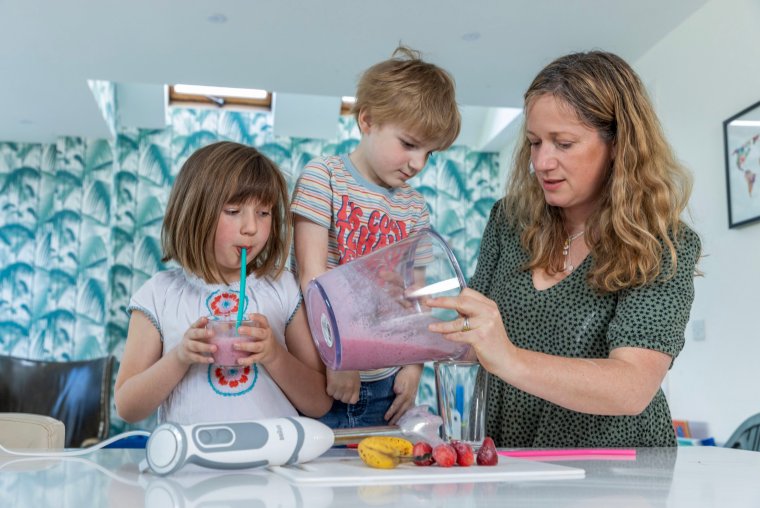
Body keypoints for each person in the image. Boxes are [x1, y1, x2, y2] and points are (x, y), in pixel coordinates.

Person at [427, 51, 701, 447]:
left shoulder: (661, 243)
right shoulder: (508, 221)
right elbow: (474, 338)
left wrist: (510, 359)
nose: (541, 161)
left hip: (617, 475)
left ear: (618, 145)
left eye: (564, 143)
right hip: (511, 457)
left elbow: (631, 387)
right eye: (535, 143)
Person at [291, 45, 461, 427]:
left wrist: (415, 365)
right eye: (409, 144)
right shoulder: (325, 177)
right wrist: (340, 358)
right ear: (367, 120)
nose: (418, 164)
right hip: (323, 372)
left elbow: (416, 296)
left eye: (429, 153)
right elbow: (311, 276)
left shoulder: (415, 208)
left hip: (387, 380)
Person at [115, 141, 332, 424]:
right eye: (233, 211)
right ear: (193, 212)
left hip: (271, 462)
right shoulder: (158, 294)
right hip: (191, 464)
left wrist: (274, 355)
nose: (251, 228)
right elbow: (127, 408)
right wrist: (180, 357)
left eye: (263, 213)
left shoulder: (284, 288)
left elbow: (319, 402)